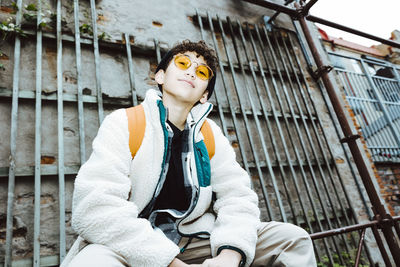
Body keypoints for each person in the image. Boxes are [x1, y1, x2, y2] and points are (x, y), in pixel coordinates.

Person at [61, 40, 316, 267]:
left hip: (196, 240)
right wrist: (169, 262)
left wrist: (230, 255)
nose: (192, 71)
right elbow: (95, 207)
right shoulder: (125, 122)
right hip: (132, 245)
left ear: (204, 95)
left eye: (202, 71)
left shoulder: (210, 134)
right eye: (182, 63)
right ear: (160, 76)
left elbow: (237, 197)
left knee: (291, 239)